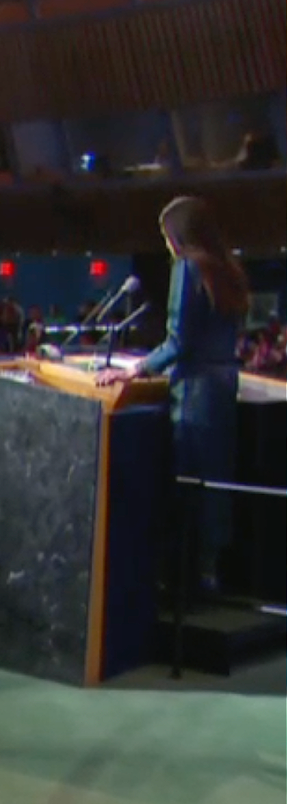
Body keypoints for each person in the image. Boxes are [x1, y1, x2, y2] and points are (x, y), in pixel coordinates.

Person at [96, 196, 248, 593]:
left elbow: (179, 341)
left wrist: (134, 369)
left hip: (195, 390)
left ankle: (179, 582)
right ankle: (209, 570)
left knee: (187, 480)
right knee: (216, 482)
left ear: (179, 235)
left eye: (166, 236)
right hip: (224, 386)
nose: (166, 245)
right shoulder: (227, 270)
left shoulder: (188, 268)